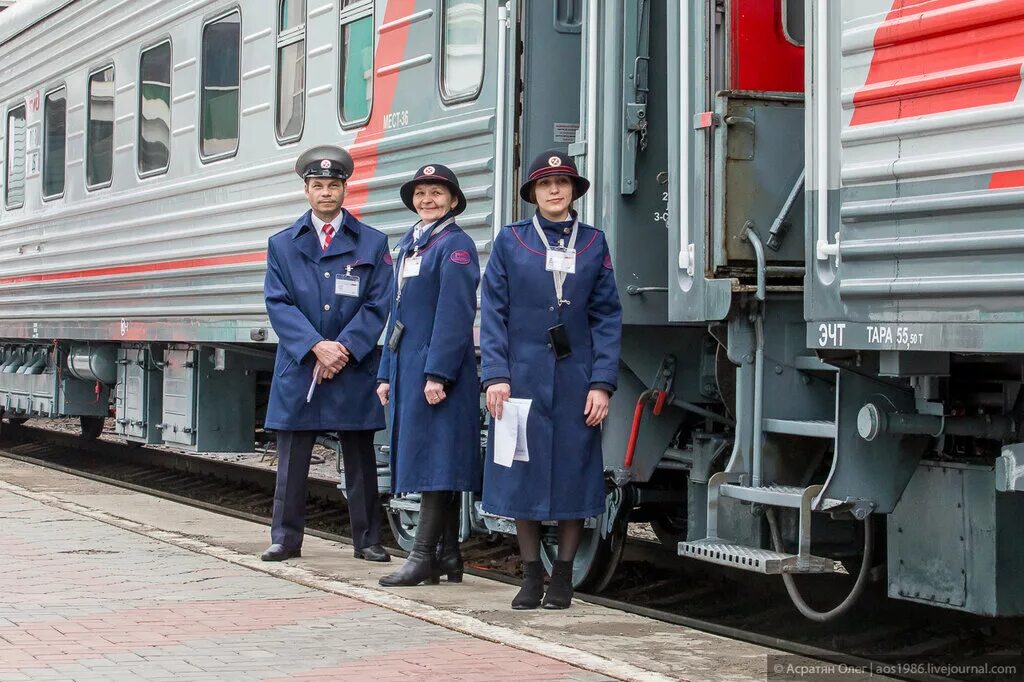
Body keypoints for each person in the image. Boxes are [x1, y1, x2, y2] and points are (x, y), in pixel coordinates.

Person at [480, 150, 622, 610]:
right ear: (533, 194)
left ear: (574, 191)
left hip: (575, 381)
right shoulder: (512, 241)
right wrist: (495, 375)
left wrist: (602, 382)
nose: (555, 191)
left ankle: (563, 574)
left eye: (562, 183)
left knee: (572, 475)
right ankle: (529, 575)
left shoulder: (593, 243)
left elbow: (606, 317)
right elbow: (494, 313)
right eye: (545, 184)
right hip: (519, 380)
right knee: (522, 473)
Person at [261, 145, 393, 564]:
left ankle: (368, 539)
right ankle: (285, 539)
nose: (325, 193)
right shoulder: (282, 244)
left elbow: (378, 303)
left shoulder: (372, 243)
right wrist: (316, 346)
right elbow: (277, 302)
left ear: (344, 190)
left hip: (351, 366)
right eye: (317, 185)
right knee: (292, 460)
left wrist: (344, 348)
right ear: (306, 190)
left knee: (359, 457)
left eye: (333, 185)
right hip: (302, 364)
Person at [376, 164, 481, 587]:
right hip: (409, 367)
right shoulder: (410, 245)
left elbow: (456, 315)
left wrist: (438, 373)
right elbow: (397, 314)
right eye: (421, 193)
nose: (428, 200)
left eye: (437, 193)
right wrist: (386, 370)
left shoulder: (455, 247)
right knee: (438, 459)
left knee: (439, 462)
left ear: (453, 200)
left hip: (440, 374)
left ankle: (422, 557)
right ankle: (449, 557)